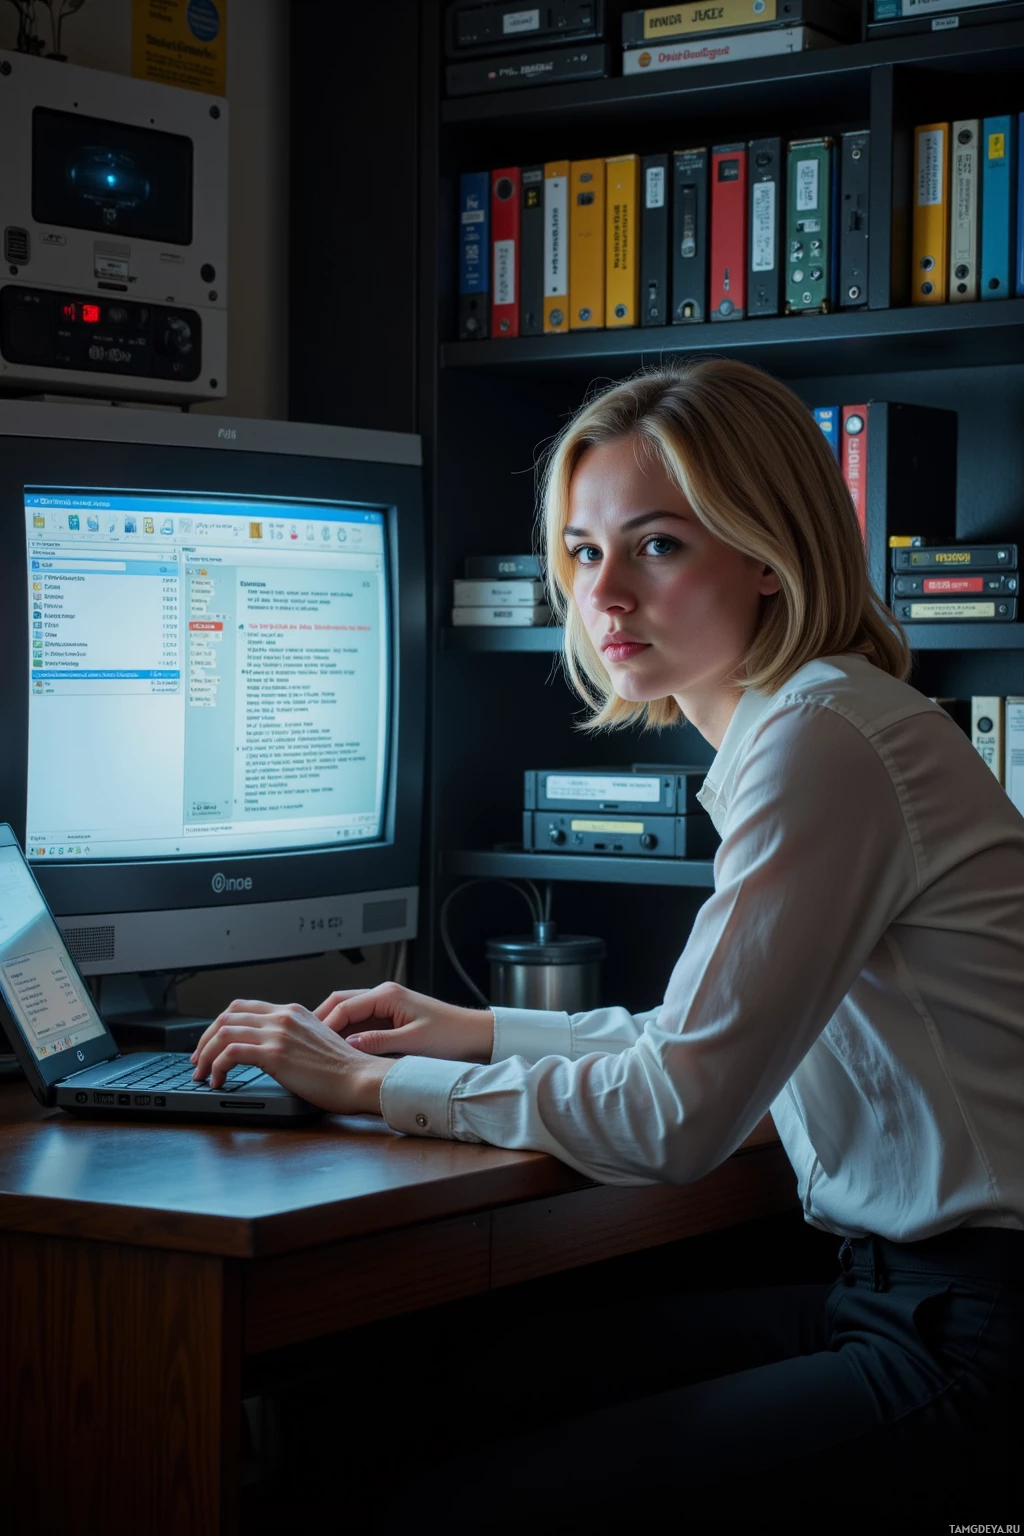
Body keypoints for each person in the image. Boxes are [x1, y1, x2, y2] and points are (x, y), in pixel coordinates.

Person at [192, 360, 1024, 1527]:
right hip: (893, 1299)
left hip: (973, 1343)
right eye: (584, 553)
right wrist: (477, 1026)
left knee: (465, 1498)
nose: (607, 595)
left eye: (659, 546)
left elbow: (681, 1115)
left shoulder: (821, 741)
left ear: (768, 555)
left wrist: (382, 1084)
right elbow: (703, 1039)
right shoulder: (813, 725)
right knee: (412, 1402)